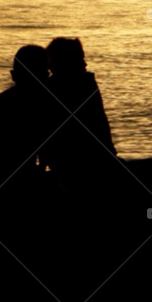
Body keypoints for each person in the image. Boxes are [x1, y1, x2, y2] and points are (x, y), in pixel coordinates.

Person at [41, 37, 126, 197]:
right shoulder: (81, 84)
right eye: (82, 59)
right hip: (84, 163)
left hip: (80, 165)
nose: (85, 64)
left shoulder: (61, 88)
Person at [0, 45, 53, 195]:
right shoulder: (44, 102)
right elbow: (45, 148)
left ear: (13, 75)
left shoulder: (1, 102)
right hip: (20, 178)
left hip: (0, 174)